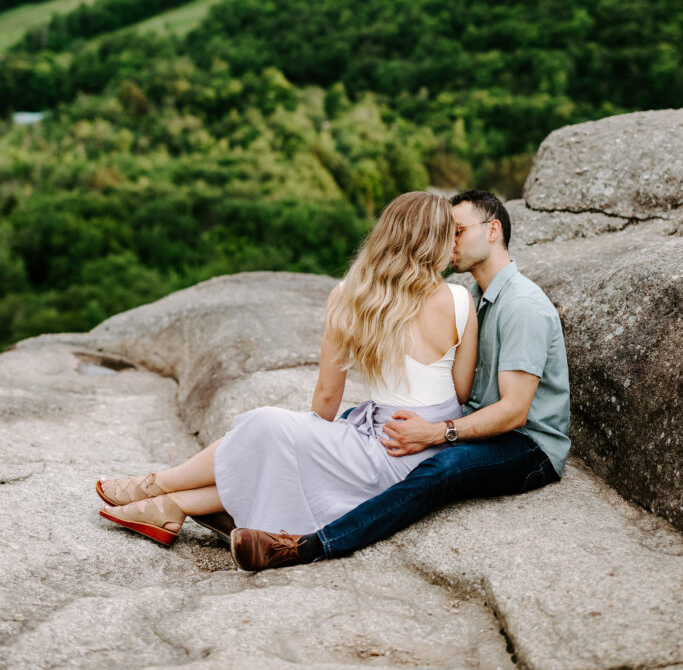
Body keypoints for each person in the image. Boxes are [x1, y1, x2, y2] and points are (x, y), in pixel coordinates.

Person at [97, 191, 479, 552]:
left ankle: (153, 486)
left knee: (267, 427)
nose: (455, 246)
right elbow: (459, 393)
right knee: (275, 442)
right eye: (451, 235)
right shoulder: (461, 300)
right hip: (426, 451)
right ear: (434, 243)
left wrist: (310, 440)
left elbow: (328, 398)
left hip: (386, 447)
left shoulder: (352, 297)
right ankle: (169, 507)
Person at [229, 189, 570, 571]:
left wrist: (439, 432)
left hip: (528, 446)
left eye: (456, 231)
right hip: (479, 422)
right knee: (353, 424)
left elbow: (515, 412)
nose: (448, 242)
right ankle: (238, 501)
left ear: (492, 230)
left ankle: (306, 545)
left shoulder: (522, 305)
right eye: (446, 231)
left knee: (444, 469)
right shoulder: (471, 295)